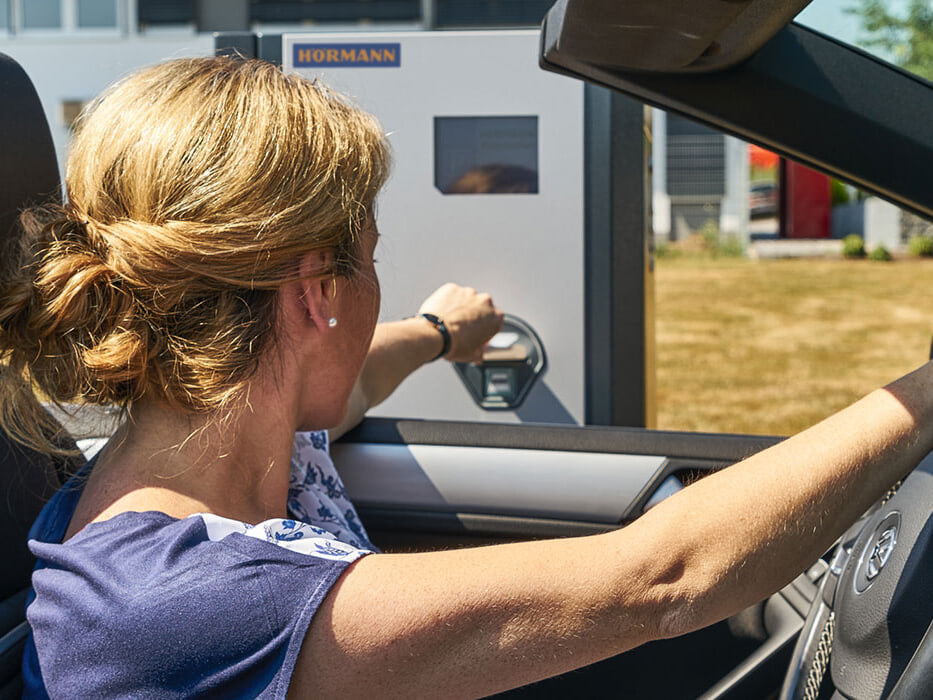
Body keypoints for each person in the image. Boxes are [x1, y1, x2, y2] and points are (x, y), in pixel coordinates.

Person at [5, 55, 933, 699]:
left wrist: (442, 332)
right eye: (369, 258)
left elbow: (350, 381)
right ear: (314, 290)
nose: (378, 287)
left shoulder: (217, 439)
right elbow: (665, 577)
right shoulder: (180, 605)